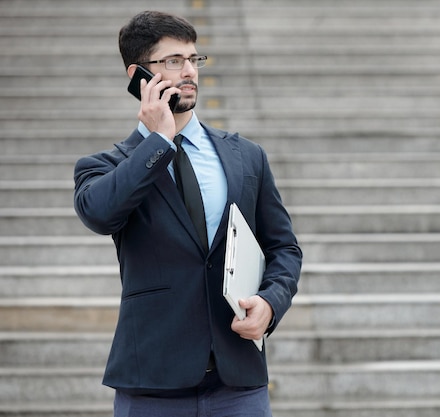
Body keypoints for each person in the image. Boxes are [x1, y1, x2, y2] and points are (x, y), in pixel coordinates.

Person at [73, 10, 302, 417]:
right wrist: (159, 141)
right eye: (173, 61)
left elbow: (284, 248)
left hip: (239, 383)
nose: (189, 71)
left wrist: (270, 303)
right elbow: (101, 214)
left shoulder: (246, 156)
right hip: (151, 383)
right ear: (138, 75)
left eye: (193, 60)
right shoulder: (106, 166)